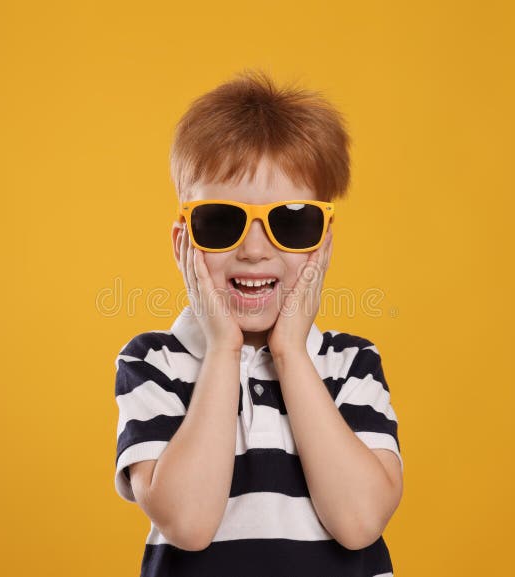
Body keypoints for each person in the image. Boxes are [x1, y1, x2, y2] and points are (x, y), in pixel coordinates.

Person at [114, 69, 403, 577]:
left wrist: (291, 352)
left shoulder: (351, 363)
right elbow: (188, 522)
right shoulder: (152, 362)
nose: (252, 250)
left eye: (290, 222)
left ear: (323, 243)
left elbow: (360, 521)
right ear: (184, 240)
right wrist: (223, 348)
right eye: (221, 221)